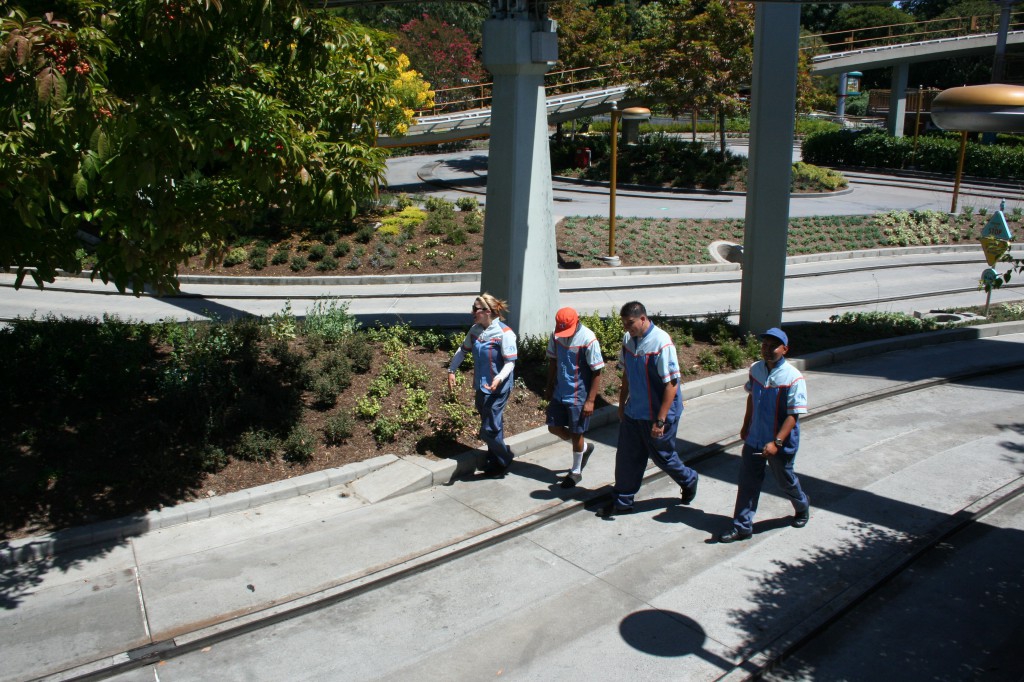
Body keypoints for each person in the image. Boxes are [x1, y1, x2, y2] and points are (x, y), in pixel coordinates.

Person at [598, 301, 699, 516]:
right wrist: (622, 403)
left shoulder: (661, 342)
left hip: (657, 414)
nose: (627, 327)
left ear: (643, 318)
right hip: (635, 411)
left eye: (631, 323)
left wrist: (661, 420)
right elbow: (625, 374)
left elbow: (671, 384)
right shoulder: (628, 340)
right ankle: (623, 501)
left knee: (663, 457)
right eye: (624, 323)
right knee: (627, 457)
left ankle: (689, 478)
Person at [719, 327, 810, 543]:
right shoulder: (756, 370)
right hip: (755, 439)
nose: (767, 350)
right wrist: (745, 426)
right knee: (748, 482)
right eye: (764, 345)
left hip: (779, 442)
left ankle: (801, 505)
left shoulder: (793, 378)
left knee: (785, 480)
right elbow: (751, 398)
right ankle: (742, 526)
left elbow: (793, 416)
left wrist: (777, 442)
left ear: (784, 349)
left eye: (773, 346)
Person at [448, 293, 518, 477]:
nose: (472, 312)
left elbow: (510, 363)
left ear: (487, 311)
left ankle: (504, 458)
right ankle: (495, 455)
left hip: (498, 388)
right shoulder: (475, 330)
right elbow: (462, 351)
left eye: (475, 309)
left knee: (489, 428)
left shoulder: (505, 333)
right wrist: (451, 370)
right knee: (492, 424)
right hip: (481, 386)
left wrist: (499, 378)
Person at [544, 307, 605, 489]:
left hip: (578, 395)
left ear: (576, 322)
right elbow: (553, 361)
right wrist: (548, 386)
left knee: (577, 432)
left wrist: (591, 400)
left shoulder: (588, 338)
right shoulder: (556, 335)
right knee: (553, 427)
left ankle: (576, 471)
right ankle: (584, 448)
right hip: (560, 391)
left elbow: (597, 371)